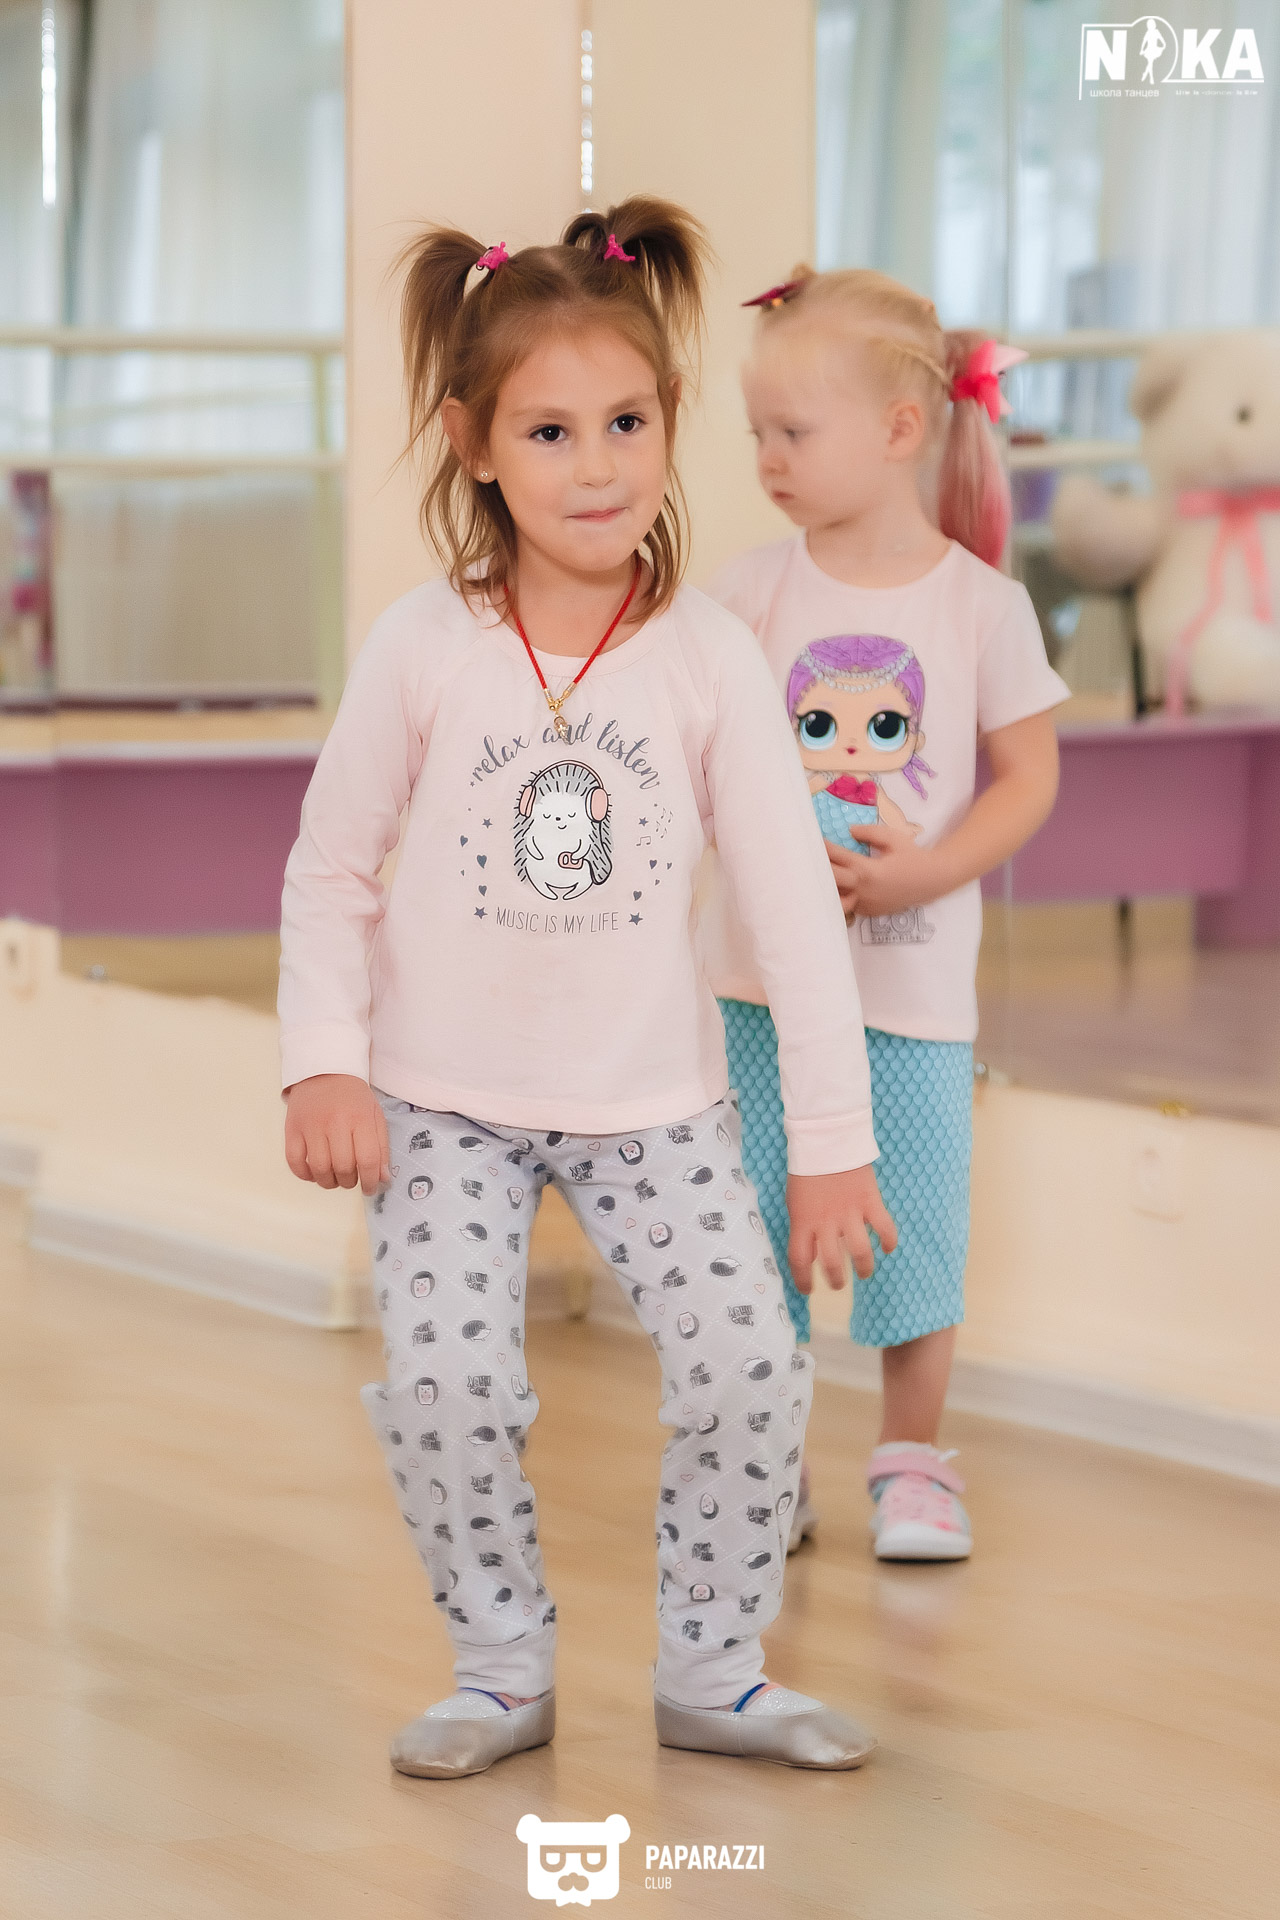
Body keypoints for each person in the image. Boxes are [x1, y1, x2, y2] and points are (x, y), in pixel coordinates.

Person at [277, 202, 896, 1780]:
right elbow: (332, 869)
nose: (598, 466)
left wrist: (835, 1143)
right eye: (550, 432)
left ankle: (715, 1670)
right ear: (472, 444)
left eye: (627, 422)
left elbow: (792, 918)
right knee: (448, 1386)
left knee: (751, 1366)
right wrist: (323, 1060)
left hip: (653, 1103)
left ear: (670, 423)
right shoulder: (423, 646)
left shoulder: (707, 658)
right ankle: (501, 1669)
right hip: (439, 1104)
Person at [700, 268, 1068, 1565]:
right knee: (758, 1232)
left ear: (901, 428)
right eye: (758, 432)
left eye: (792, 432)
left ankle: (912, 1465)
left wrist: (927, 872)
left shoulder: (982, 607)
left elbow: (1029, 778)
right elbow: (701, 759)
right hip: (757, 997)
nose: (767, 459)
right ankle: (771, 1466)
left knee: (913, 1233)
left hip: (908, 1001)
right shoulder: (746, 595)